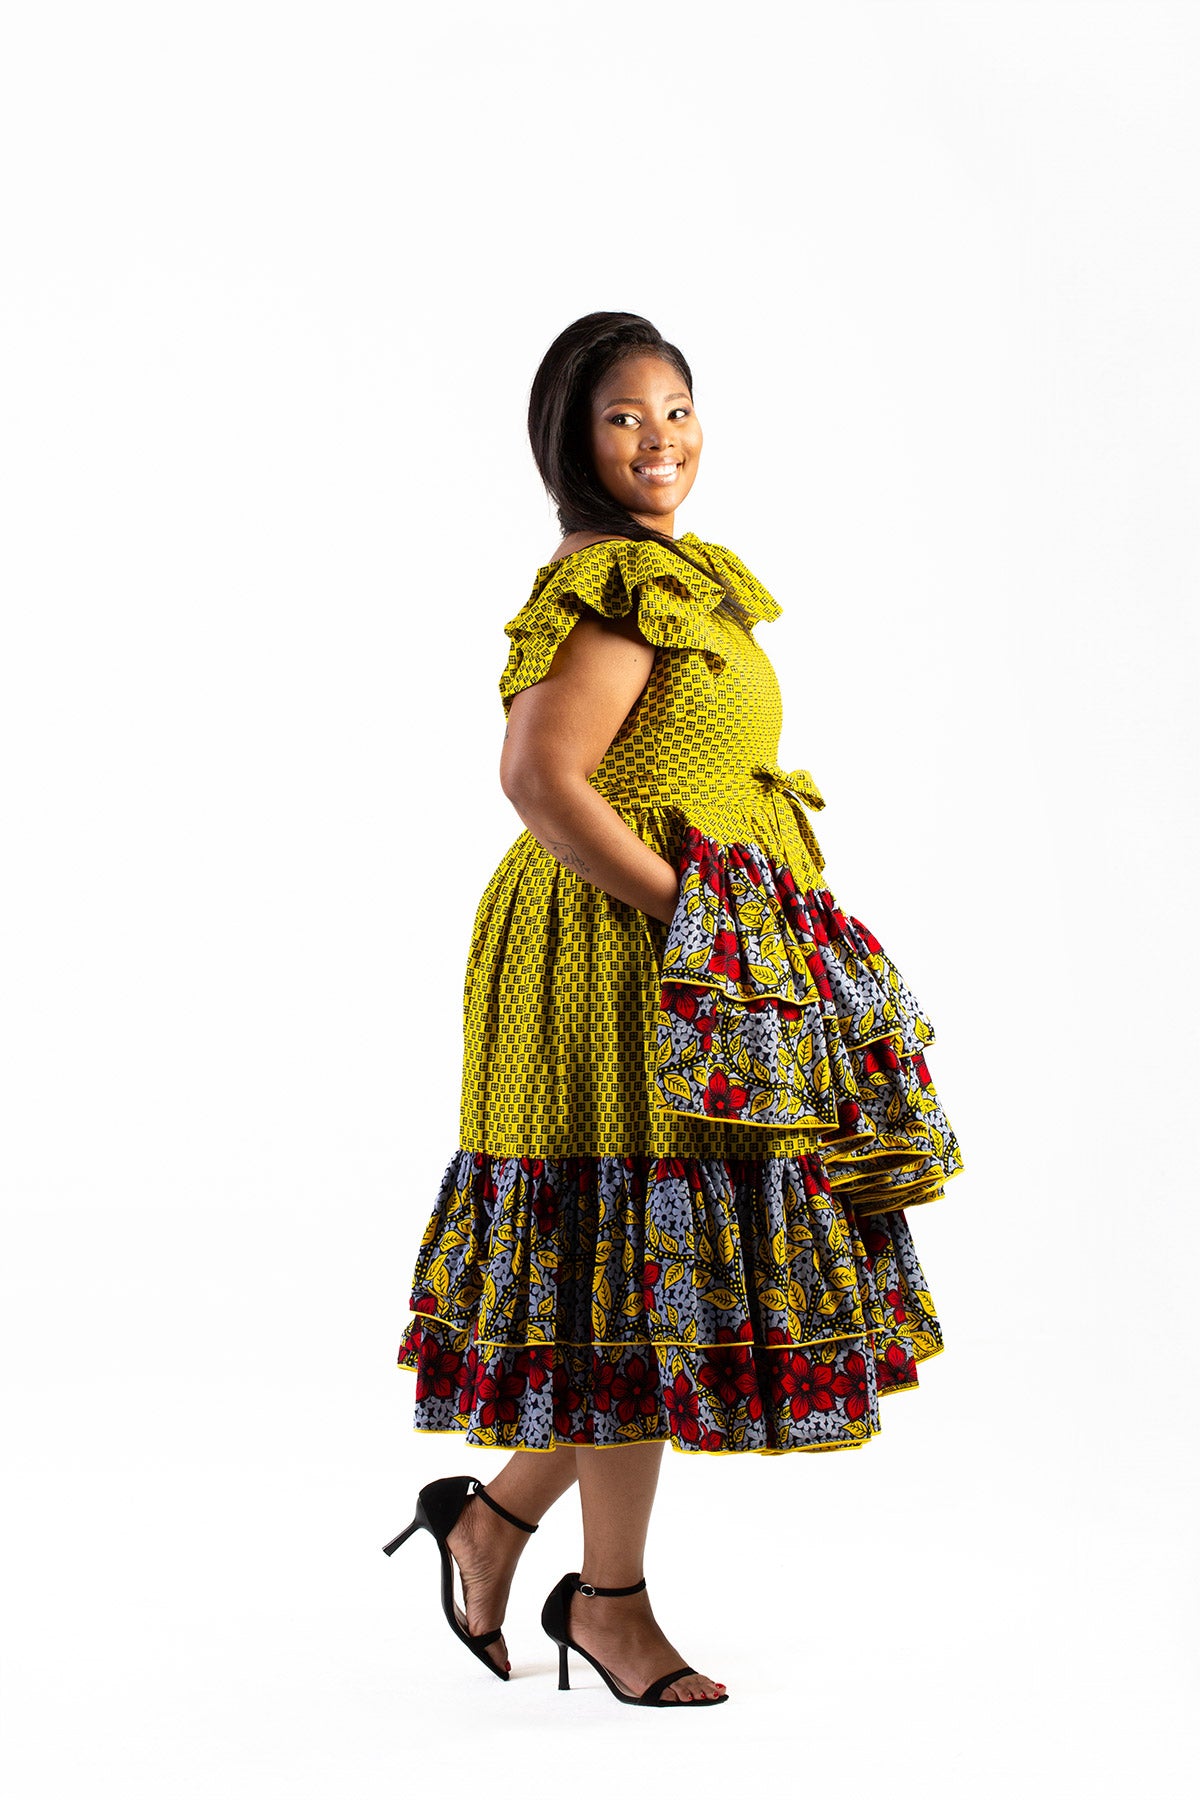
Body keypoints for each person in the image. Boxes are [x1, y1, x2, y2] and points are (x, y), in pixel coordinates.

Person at [385, 312, 965, 1708]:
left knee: (638, 1279)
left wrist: (742, 926)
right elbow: (539, 778)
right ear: (571, 445)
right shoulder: (608, 586)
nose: (660, 439)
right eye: (623, 418)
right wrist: (689, 913)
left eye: (678, 408)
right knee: (631, 1263)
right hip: (613, 953)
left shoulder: (684, 578)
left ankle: (495, 1528)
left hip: (685, 952)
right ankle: (611, 1604)